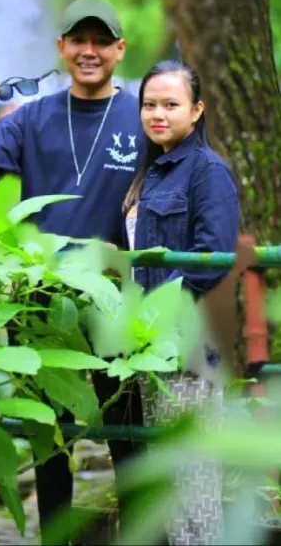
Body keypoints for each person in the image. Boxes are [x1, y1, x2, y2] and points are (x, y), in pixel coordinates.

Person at [0, 0, 145, 543]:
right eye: (78, 40)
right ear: (61, 47)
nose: (89, 51)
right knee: (49, 440)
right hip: (39, 300)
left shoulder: (143, 115)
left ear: (119, 49)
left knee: (127, 435)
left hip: (117, 297)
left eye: (100, 41)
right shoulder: (29, 118)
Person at [123, 59, 239, 546]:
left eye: (171, 105)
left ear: (197, 110)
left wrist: (157, 313)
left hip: (187, 349)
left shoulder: (206, 172)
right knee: (172, 483)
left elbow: (212, 260)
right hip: (154, 350)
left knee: (192, 487)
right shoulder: (154, 169)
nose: (158, 114)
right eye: (150, 104)